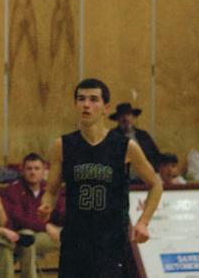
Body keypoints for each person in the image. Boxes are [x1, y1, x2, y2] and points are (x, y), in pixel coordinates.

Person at [39, 78, 163, 277]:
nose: (86, 104)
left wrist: (143, 222)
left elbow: (155, 184)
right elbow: (51, 191)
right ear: (75, 105)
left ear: (106, 108)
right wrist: (46, 205)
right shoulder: (62, 145)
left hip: (111, 241)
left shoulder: (124, 146)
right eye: (81, 99)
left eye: (93, 99)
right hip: (74, 241)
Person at [3, 153, 65, 278]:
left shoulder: (50, 191)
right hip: (19, 236)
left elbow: (61, 214)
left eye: (37, 168)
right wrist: (46, 226)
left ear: (44, 171)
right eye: (29, 168)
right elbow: (19, 219)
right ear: (23, 170)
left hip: (46, 236)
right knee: (28, 238)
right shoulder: (13, 190)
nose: (33, 172)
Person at [110, 103, 162, 179]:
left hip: (144, 181)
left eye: (128, 115)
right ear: (117, 119)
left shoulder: (143, 136)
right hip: (120, 181)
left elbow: (156, 156)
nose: (125, 118)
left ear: (133, 117)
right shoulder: (111, 136)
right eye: (122, 116)